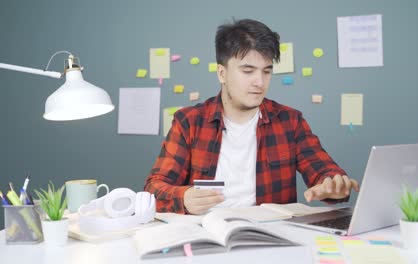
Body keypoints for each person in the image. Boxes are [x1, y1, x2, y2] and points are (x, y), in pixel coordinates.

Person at [144, 18, 359, 215]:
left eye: (266, 71)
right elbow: (153, 188)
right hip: (205, 233)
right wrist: (184, 198)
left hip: (270, 236)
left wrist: (333, 184)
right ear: (222, 73)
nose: (260, 82)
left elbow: (323, 170)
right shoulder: (189, 121)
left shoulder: (290, 121)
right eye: (248, 71)